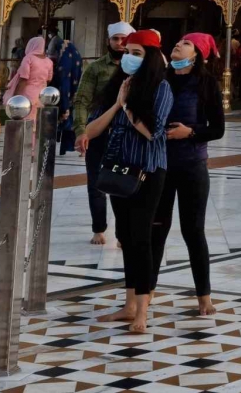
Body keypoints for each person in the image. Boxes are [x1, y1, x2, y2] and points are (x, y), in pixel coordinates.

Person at [78, 29, 172, 335]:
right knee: (127, 237)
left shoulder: (161, 89)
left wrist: (129, 105)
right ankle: (129, 304)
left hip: (147, 171)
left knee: (142, 238)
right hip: (119, 170)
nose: (129, 58)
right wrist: (117, 104)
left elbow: (152, 132)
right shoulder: (119, 85)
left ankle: (142, 311)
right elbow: (92, 130)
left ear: (151, 58)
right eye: (127, 52)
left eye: (137, 54)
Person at [151, 33, 225, 316]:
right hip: (160, 164)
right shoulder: (161, 79)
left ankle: (204, 297)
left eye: (186, 43)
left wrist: (190, 132)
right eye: (178, 41)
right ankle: (148, 290)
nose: (178, 44)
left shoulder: (206, 84)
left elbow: (217, 129)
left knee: (193, 231)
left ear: (197, 55)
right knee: (157, 228)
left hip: (192, 164)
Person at [74, 21, 131, 245]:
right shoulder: (96, 68)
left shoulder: (135, 67)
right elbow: (81, 100)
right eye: (115, 39)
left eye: (124, 40)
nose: (119, 44)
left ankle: (122, 232)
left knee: (121, 182)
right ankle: (99, 228)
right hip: (99, 131)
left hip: (125, 133)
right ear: (108, 40)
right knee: (96, 182)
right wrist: (81, 131)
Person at [54, 37, 83, 154]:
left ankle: (66, 146)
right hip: (73, 90)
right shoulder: (75, 54)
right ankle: (67, 147)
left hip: (63, 91)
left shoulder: (65, 58)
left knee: (65, 117)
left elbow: (63, 75)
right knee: (70, 118)